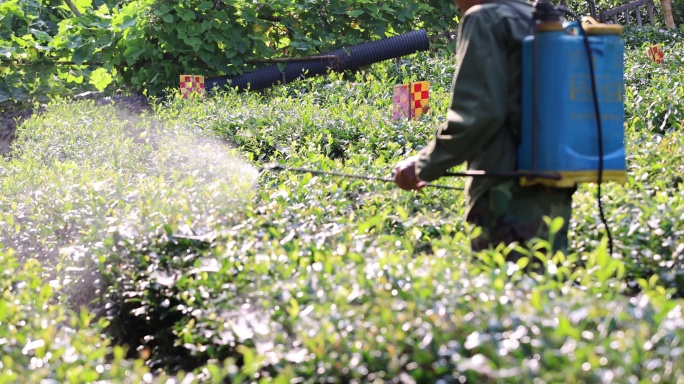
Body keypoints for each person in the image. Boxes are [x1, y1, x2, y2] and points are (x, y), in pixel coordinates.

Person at [393, 0, 576, 260]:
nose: (455, 5)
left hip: (505, 190)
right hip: (554, 181)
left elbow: (476, 115)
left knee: (505, 289)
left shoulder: (484, 19)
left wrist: (423, 165)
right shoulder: (535, 16)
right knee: (545, 286)